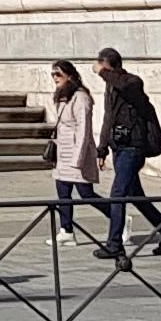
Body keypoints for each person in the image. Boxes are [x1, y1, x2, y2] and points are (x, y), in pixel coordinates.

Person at [92, 48, 161, 259]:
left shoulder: (132, 82)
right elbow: (109, 118)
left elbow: (126, 85)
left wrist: (103, 72)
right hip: (119, 147)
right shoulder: (111, 88)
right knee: (136, 197)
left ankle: (114, 244)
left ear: (109, 65)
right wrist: (102, 148)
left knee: (117, 195)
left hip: (133, 148)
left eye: (102, 66)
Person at [43, 62, 105, 242]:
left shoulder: (81, 97)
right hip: (63, 153)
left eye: (58, 74)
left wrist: (78, 159)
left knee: (87, 194)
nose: (55, 77)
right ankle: (66, 231)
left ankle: (118, 218)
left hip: (77, 153)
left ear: (69, 75)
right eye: (52, 74)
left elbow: (83, 129)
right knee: (63, 191)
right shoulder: (64, 97)